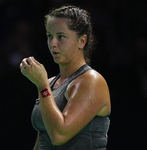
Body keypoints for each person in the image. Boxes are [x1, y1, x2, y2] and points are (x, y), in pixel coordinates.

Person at [20, 5, 111, 150]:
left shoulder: (92, 81)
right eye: (50, 36)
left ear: (82, 41)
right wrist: (44, 85)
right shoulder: (49, 84)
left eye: (61, 37)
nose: (53, 44)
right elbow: (43, 139)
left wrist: (42, 86)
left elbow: (58, 135)